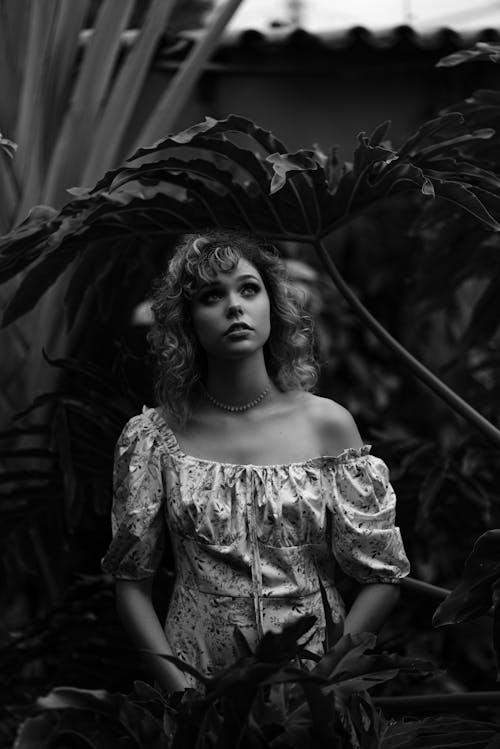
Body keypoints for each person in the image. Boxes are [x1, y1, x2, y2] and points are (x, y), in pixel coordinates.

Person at [101, 228, 410, 694]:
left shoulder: (327, 426)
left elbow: (383, 577)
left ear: (272, 304)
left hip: (314, 684)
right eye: (211, 295)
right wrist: (184, 699)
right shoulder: (152, 440)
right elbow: (130, 586)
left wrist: (326, 683)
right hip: (197, 680)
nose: (234, 306)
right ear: (188, 321)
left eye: (249, 289)